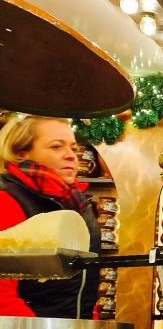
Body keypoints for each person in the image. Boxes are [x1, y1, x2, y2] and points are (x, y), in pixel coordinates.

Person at [0, 115, 100, 318]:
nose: (71, 156)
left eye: (73, 148)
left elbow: (85, 286)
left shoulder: (78, 204)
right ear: (21, 154)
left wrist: (89, 327)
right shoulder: (8, 201)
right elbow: (2, 297)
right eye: (56, 147)